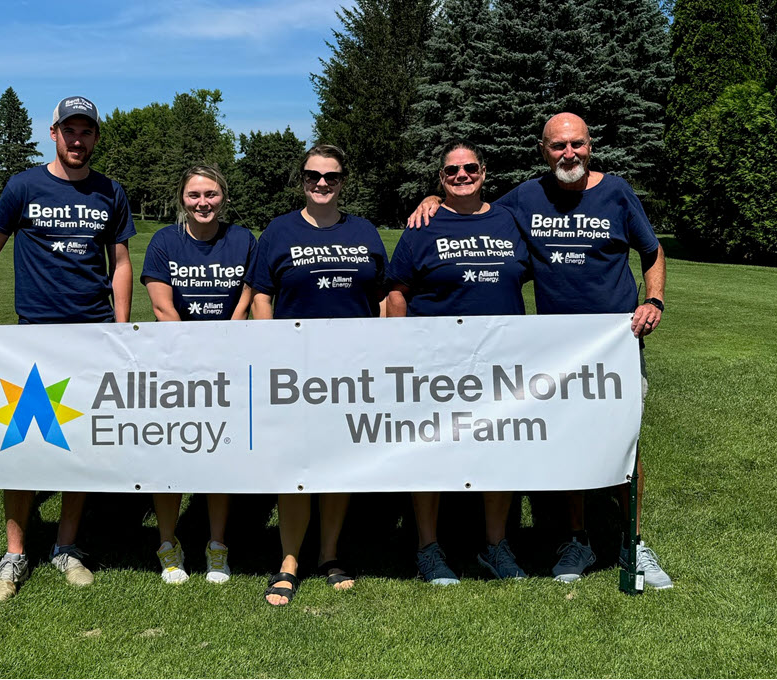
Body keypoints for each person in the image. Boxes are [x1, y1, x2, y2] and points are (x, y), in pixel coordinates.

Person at [407, 113, 671, 588]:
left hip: (614, 344)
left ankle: (634, 541)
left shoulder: (617, 192)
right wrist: (433, 198)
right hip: (553, 350)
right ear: (543, 151)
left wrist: (653, 300)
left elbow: (651, 251)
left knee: (623, 443)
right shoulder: (526, 198)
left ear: (590, 146)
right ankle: (576, 538)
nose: (568, 154)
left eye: (577, 144)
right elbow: (471, 206)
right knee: (568, 439)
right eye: (557, 147)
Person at [0, 96, 135, 601]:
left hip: (92, 334)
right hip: (31, 337)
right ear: (53, 133)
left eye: (87, 132)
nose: (78, 140)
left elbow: (119, 262)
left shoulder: (110, 192)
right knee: (23, 442)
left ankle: (66, 547)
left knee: (79, 440)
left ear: (96, 137)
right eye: (69, 131)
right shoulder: (25, 185)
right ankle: (15, 554)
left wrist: (121, 328)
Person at [245, 144, 388, 605]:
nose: (321, 183)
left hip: (353, 370)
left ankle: (329, 554)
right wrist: (270, 347)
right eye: (312, 176)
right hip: (295, 370)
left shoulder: (364, 230)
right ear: (301, 179)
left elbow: (382, 296)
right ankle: (289, 560)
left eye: (331, 176)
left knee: (337, 462)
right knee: (296, 464)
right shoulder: (279, 232)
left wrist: (384, 349)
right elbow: (261, 295)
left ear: (344, 181)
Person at [389, 139, 531, 585]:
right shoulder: (423, 225)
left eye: (470, 168)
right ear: (440, 180)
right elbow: (397, 291)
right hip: (435, 361)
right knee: (429, 448)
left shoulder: (510, 219)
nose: (462, 176)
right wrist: (401, 349)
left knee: (498, 448)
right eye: (451, 172)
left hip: (500, 359)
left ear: (484, 172)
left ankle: (496, 546)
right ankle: (428, 549)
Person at [140, 165, 256, 585]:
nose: (203, 203)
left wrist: (227, 342)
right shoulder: (165, 241)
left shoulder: (242, 239)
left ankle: (217, 546)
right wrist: (194, 354)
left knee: (218, 451)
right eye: (194, 196)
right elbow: (162, 308)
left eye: (211, 194)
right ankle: (168, 544)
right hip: (177, 364)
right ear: (182, 200)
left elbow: (247, 297)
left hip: (228, 363)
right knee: (171, 453)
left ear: (223, 197)